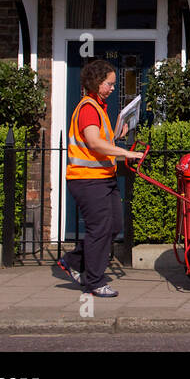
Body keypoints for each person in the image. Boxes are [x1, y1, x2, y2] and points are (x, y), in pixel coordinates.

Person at [55, 59, 144, 297]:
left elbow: (101, 140)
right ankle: (94, 281)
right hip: (87, 180)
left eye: (114, 84)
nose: (113, 88)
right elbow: (94, 143)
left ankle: (73, 261)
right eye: (109, 83)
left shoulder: (99, 107)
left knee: (114, 225)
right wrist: (125, 152)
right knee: (100, 228)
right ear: (96, 82)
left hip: (103, 178)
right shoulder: (87, 108)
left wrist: (117, 132)